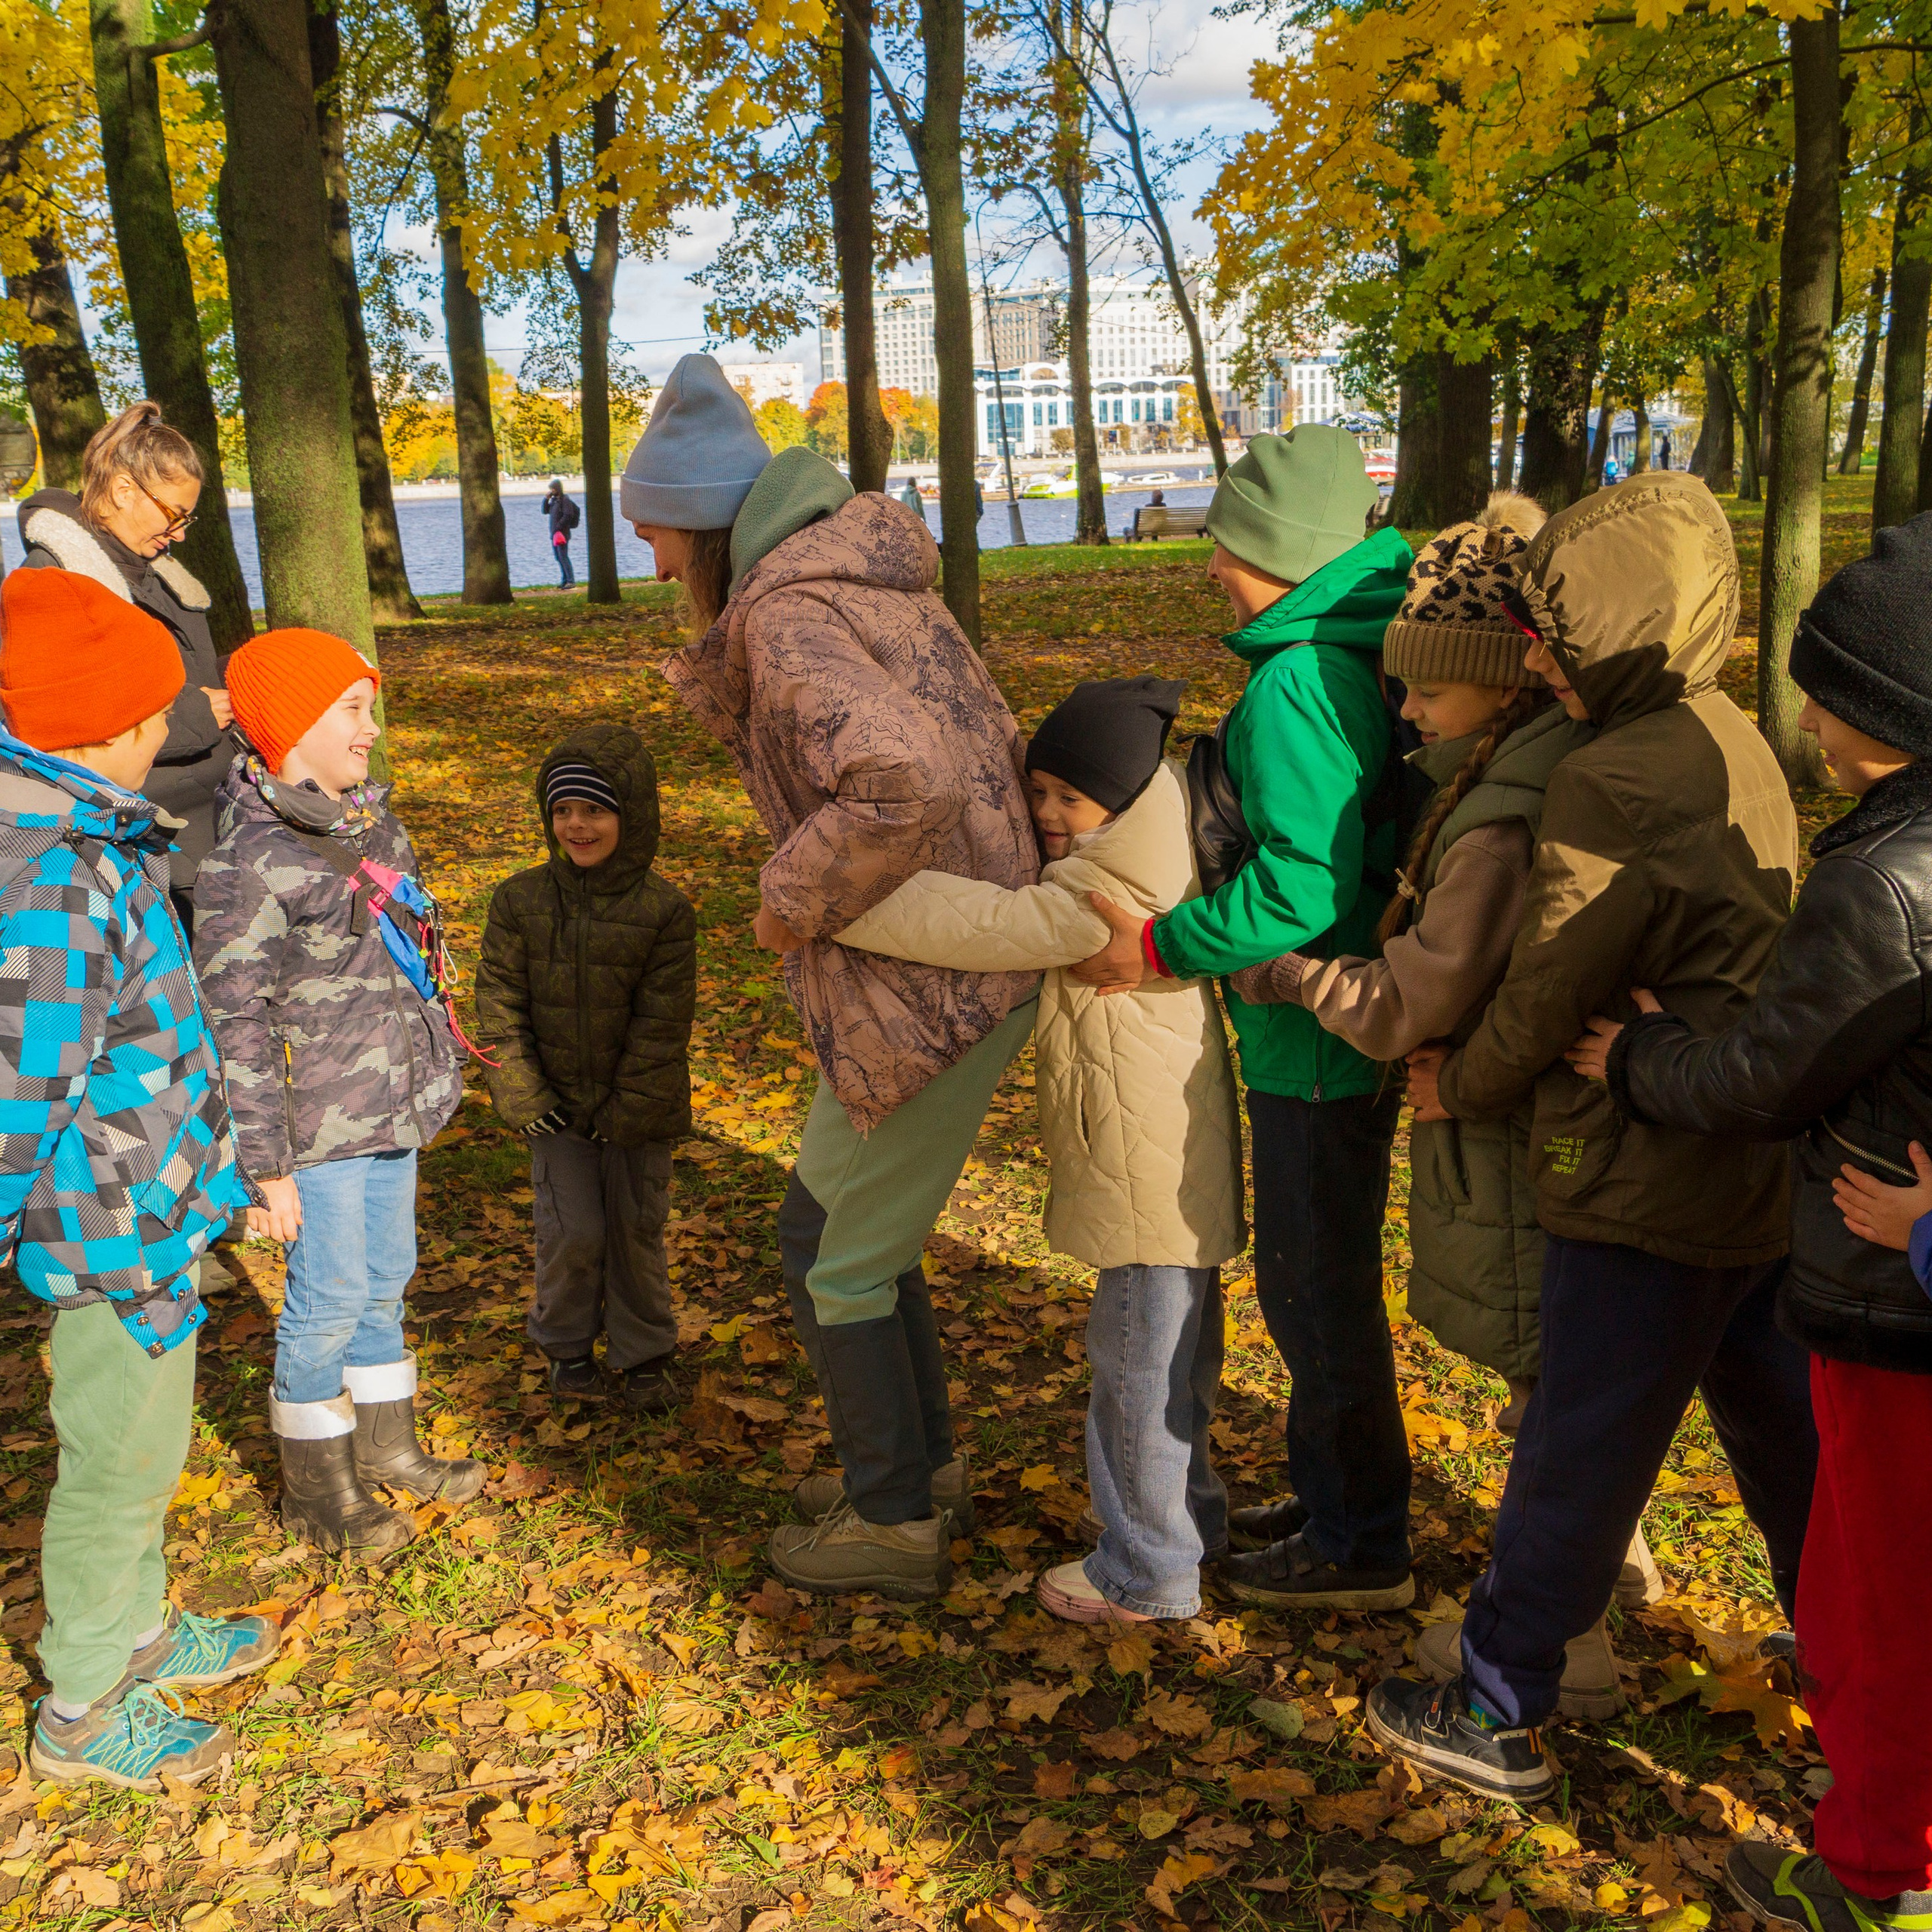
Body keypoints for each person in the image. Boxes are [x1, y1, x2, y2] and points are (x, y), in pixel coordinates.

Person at [1364, 470, 1819, 1804]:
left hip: (1639, 1164)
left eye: (1557, 637)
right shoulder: (1728, 731)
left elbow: (1554, 980)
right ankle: (1860, 1665)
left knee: (1581, 1443)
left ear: (1615, 632)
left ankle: (1497, 1701)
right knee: (1785, 1437)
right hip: (1745, 1153)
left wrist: (1469, 1084)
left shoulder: (1615, 778)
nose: (1542, 662)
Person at [1568, 514, 1932, 1931]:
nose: (1798, 708)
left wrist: (1637, 1057)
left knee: (1878, 1601)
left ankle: (1878, 1875)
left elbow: (1768, 1077)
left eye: (1815, 682)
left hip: (1894, 1304)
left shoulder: (1884, 885)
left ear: (1863, 709)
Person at [635, 352, 1039, 1601]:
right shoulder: (834, 578)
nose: (648, 561)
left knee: (837, 1259)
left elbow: (903, 774)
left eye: (651, 531)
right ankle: (915, 1465)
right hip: (949, 952)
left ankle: (894, 1518)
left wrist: (788, 895)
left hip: (935, 973)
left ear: (700, 524)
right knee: (838, 1231)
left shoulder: (787, 609)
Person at [1071, 424, 1417, 1613]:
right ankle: (1340, 1508)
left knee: (1315, 1289)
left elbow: (1303, 888)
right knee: (1313, 1281)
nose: (1211, 566)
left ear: (1276, 547)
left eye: (1224, 543)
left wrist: (1159, 944)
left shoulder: (1297, 682)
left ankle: (1360, 1543)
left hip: (1314, 1038)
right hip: (1330, 1028)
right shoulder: (1347, 654)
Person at [836, 676, 1243, 1623]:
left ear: (1128, 796)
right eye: (1040, 790)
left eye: (1071, 796)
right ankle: (1192, 1523)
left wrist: (848, 900)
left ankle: (1146, 1573)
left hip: (1146, 1178)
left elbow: (988, 925)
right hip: (1168, 1171)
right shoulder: (1154, 853)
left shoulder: (1108, 889)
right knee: (1176, 1362)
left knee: (1137, 1370)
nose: (1048, 813)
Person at [0, 569, 275, 1790]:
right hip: (106, 1233)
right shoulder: (55, 882)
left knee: (146, 1447)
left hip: (149, 1214)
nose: (177, 724)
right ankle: (85, 1700)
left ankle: (139, 1626)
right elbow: (22, 1092)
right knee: (116, 1461)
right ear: (108, 727)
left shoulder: (94, 840)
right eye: (160, 709)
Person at [196, 628, 481, 1557]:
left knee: (385, 1278)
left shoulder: (369, 822)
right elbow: (232, 1019)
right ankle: (319, 1489)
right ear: (291, 723)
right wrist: (264, 1167)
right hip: (316, 1127)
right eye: (352, 710)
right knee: (327, 1296)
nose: (370, 729)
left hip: (389, 1106)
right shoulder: (250, 862)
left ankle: (385, 1446)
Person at [475, 725, 697, 1412]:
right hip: (555, 1107)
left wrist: (627, 1110)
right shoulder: (520, 902)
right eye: (563, 811)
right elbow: (498, 1004)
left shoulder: (664, 911)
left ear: (630, 818)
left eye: (595, 810)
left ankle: (644, 1353)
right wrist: (521, 1089)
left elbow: (662, 1025)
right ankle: (567, 1345)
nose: (578, 825)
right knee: (572, 1230)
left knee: (633, 1227)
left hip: (637, 1110)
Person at [16, 401, 238, 931]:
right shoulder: (56, 580)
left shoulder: (155, 573)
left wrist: (257, 673)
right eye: (175, 514)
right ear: (122, 491)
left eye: (189, 517)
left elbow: (189, 674)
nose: (181, 532)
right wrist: (198, 717)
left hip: (200, 825)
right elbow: (62, 723)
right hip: (144, 832)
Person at [544, 479, 580, 589]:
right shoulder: (554, 501)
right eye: (551, 489)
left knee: (563, 556)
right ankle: (564, 580)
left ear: (558, 489)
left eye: (553, 489)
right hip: (555, 534)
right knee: (558, 557)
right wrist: (546, 499)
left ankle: (570, 580)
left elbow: (568, 515)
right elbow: (545, 511)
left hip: (562, 533)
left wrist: (559, 527)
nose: (552, 491)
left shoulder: (565, 501)